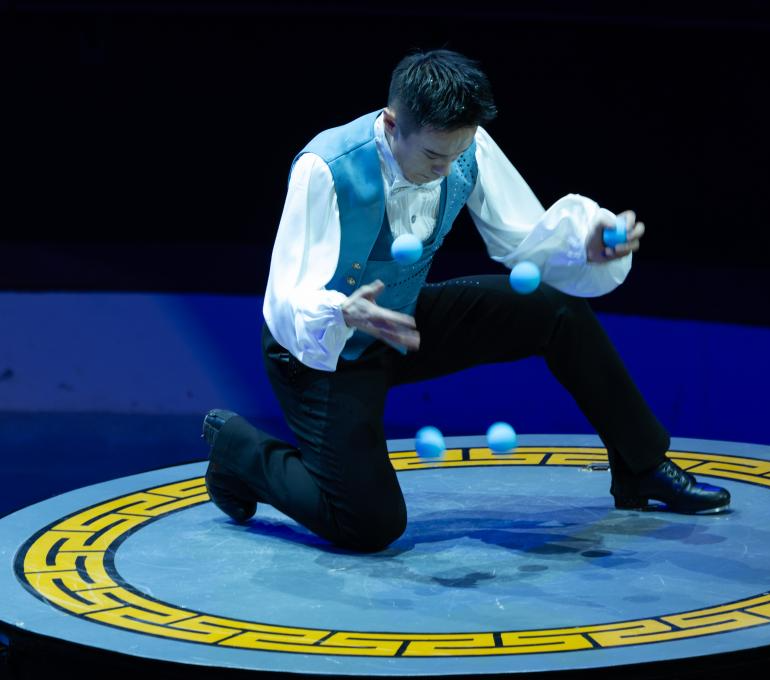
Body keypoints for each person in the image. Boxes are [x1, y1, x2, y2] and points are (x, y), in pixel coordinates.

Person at [202, 49, 730, 553]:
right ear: (392, 125)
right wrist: (344, 311)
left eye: (456, 154)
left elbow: (523, 238)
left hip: (401, 323)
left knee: (554, 309)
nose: (445, 169)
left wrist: (584, 247)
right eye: (434, 155)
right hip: (320, 355)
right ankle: (237, 450)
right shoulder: (327, 167)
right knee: (369, 525)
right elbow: (289, 294)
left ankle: (641, 467)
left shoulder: (464, 147)